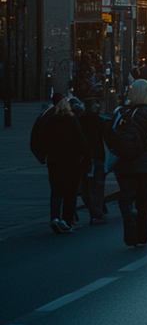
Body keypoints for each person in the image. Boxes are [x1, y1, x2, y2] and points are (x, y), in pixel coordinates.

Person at [112, 79, 147, 247]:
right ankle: (142, 236)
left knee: (126, 197)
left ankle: (129, 226)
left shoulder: (120, 111)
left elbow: (111, 135)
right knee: (143, 200)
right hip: (144, 163)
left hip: (124, 163)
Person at [30, 95, 91, 234]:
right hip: (71, 161)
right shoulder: (71, 119)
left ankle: (55, 218)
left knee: (56, 191)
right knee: (70, 192)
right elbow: (81, 140)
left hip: (54, 161)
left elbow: (38, 138)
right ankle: (66, 221)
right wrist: (87, 156)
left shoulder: (48, 120)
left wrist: (42, 156)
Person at [77, 91, 109, 224]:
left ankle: (96, 209)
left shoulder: (80, 120)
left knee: (86, 186)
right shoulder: (100, 120)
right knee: (97, 185)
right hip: (96, 155)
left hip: (84, 157)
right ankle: (97, 209)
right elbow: (108, 139)